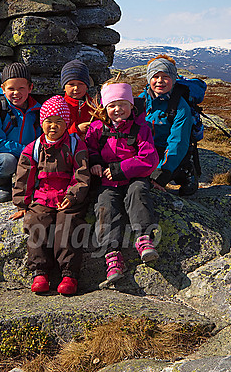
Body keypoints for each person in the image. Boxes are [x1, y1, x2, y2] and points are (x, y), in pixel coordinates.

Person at [10, 95, 91, 295]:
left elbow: (81, 175)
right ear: (42, 123)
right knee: (36, 222)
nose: (53, 127)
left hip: (68, 196)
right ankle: (40, 272)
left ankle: (68, 274)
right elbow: (24, 175)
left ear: (67, 124)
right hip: (43, 196)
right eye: (48, 122)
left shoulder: (75, 145)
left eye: (58, 122)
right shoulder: (34, 148)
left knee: (69, 225)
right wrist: (22, 203)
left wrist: (72, 196)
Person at [84, 80, 160, 285]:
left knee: (138, 194)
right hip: (107, 183)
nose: (118, 109)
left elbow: (150, 159)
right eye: (112, 105)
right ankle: (113, 257)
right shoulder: (96, 128)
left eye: (123, 104)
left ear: (131, 105)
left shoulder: (141, 128)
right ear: (105, 107)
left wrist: (119, 170)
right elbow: (89, 150)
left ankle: (144, 239)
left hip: (134, 177)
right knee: (105, 207)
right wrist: (96, 163)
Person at [0, 62, 42, 203]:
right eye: (11, 88)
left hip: (26, 154)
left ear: (30, 88)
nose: (16, 93)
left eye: (21, 88)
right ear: (3, 89)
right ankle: (2, 182)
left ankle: (26, 182)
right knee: (7, 162)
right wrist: (25, 150)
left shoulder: (37, 111)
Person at [140, 55, 198, 196]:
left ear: (173, 78)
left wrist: (160, 175)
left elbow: (178, 142)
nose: (160, 81)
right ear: (149, 79)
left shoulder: (180, 107)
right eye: (155, 76)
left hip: (167, 149)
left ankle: (185, 171)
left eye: (165, 76)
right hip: (147, 149)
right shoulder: (142, 100)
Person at [60, 59, 94, 137]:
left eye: (81, 84)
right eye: (71, 84)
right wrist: (77, 130)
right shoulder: (60, 107)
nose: (76, 88)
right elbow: (55, 133)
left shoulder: (94, 106)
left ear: (87, 86)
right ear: (64, 87)